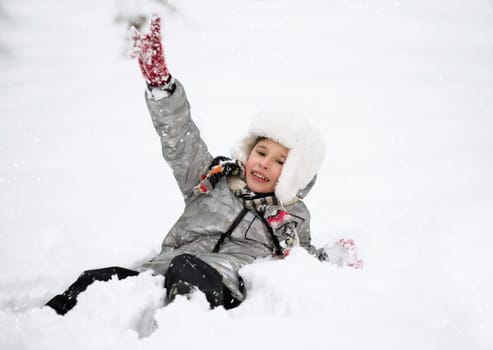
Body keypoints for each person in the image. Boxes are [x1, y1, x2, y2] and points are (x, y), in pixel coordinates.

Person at [45, 15, 361, 316]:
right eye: (261, 152)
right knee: (100, 278)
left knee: (186, 268)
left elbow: (301, 258)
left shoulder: (291, 216)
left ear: (294, 174)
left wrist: (332, 258)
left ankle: (179, 333)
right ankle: (50, 322)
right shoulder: (211, 181)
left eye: (280, 161)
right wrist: (160, 85)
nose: (264, 164)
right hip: (159, 272)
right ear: (248, 152)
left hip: (221, 281)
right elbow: (181, 139)